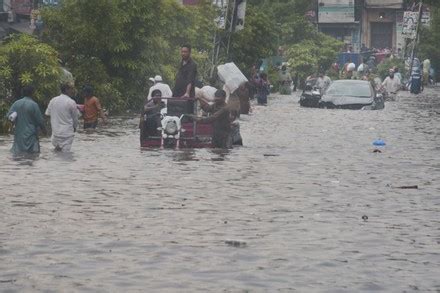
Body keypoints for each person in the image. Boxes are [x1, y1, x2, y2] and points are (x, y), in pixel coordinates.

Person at [6, 85, 46, 155]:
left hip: (19, 135)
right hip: (31, 135)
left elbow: (9, 117)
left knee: (18, 154)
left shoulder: (16, 103)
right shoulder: (34, 105)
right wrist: (44, 131)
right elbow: (40, 121)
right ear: (32, 93)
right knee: (32, 156)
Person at [45, 83, 79, 152]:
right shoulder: (71, 102)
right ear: (66, 90)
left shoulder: (53, 100)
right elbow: (75, 119)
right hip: (67, 135)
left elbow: (47, 114)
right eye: (72, 89)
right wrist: (74, 128)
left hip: (55, 134)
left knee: (56, 154)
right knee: (65, 157)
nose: (73, 91)